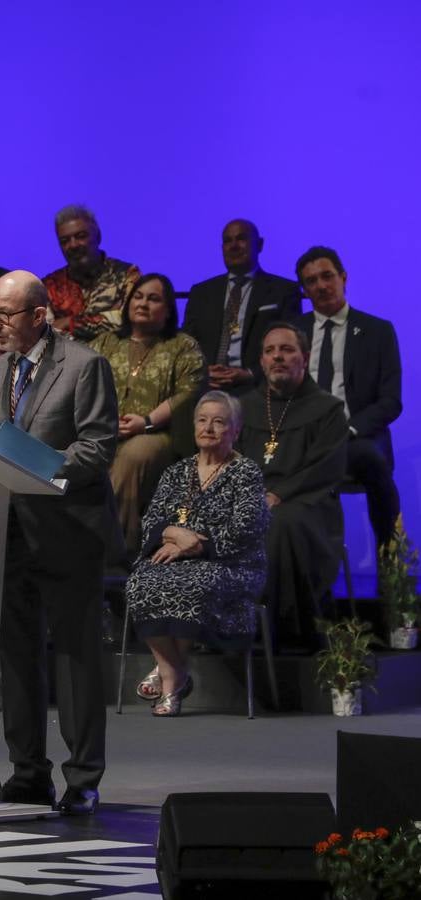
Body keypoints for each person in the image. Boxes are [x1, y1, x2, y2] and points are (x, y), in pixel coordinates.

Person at [0, 270, 119, 815]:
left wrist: (41, 466)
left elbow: (98, 447)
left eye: (5, 314)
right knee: (17, 656)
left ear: (39, 316)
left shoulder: (85, 365)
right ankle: (28, 773)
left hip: (69, 530)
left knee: (77, 660)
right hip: (9, 532)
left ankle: (83, 778)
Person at [125, 391, 269, 716]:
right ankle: (172, 669)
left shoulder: (246, 473)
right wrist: (175, 534)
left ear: (235, 430)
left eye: (219, 422)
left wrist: (199, 545)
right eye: (203, 421)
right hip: (175, 559)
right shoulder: (176, 472)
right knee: (139, 582)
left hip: (230, 565)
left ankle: (169, 681)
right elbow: (152, 519)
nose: (209, 428)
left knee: (194, 583)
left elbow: (246, 528)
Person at [237, 323, 348, 650]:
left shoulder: (328, 409)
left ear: (305, 357)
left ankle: (281, 630)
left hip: (307, 503)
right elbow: (231, 459)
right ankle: (223, 627)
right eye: (270, 351)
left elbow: (324, 466)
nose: (278, 357)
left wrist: (279, 494)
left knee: (282, 523)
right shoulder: (243, 407)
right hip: (251, 498)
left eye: (287, 350)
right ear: (261, 362)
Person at [293, 246, 402, 557]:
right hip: (304, 437)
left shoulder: (377, 331)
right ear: (304, 289)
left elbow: (391, 401)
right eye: (311, 281)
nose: (321, 286)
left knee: (372, 460)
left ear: (343, 277)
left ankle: (390, 567)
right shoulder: (292, 333)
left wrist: (349, 428)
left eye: (327, 276)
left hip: (355, 438)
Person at [89, 274, 206, 558]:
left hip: (159, 434)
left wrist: (147, 421)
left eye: (154, 299)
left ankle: (117, 552)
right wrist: (105, 423)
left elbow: (188, 393)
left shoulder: (182, 345)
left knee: (134, 455)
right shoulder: (104, 343)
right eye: (138, 296)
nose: (143, 303)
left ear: (168, 311)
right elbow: (84, 386)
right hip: (104, 430)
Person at [183, 219, 302, 392]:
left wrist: (250, 374)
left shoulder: (282, 291)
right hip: (207, 388)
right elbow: (188, 344)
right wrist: (202, 372)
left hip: (259, 388)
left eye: (241, 239)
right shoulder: (201, 293)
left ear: (259, 245)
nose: (233, 246)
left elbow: (290, 347)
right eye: (227, 241)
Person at [42, 204, 139, 341]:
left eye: (81, 236)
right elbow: (44, 331)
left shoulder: (126, 275)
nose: (73, 245)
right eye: (65, 241)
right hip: (67, 361)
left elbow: (131, 318)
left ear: (98, 237)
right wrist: (108, 317)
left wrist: (69, 323)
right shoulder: (50, 286)